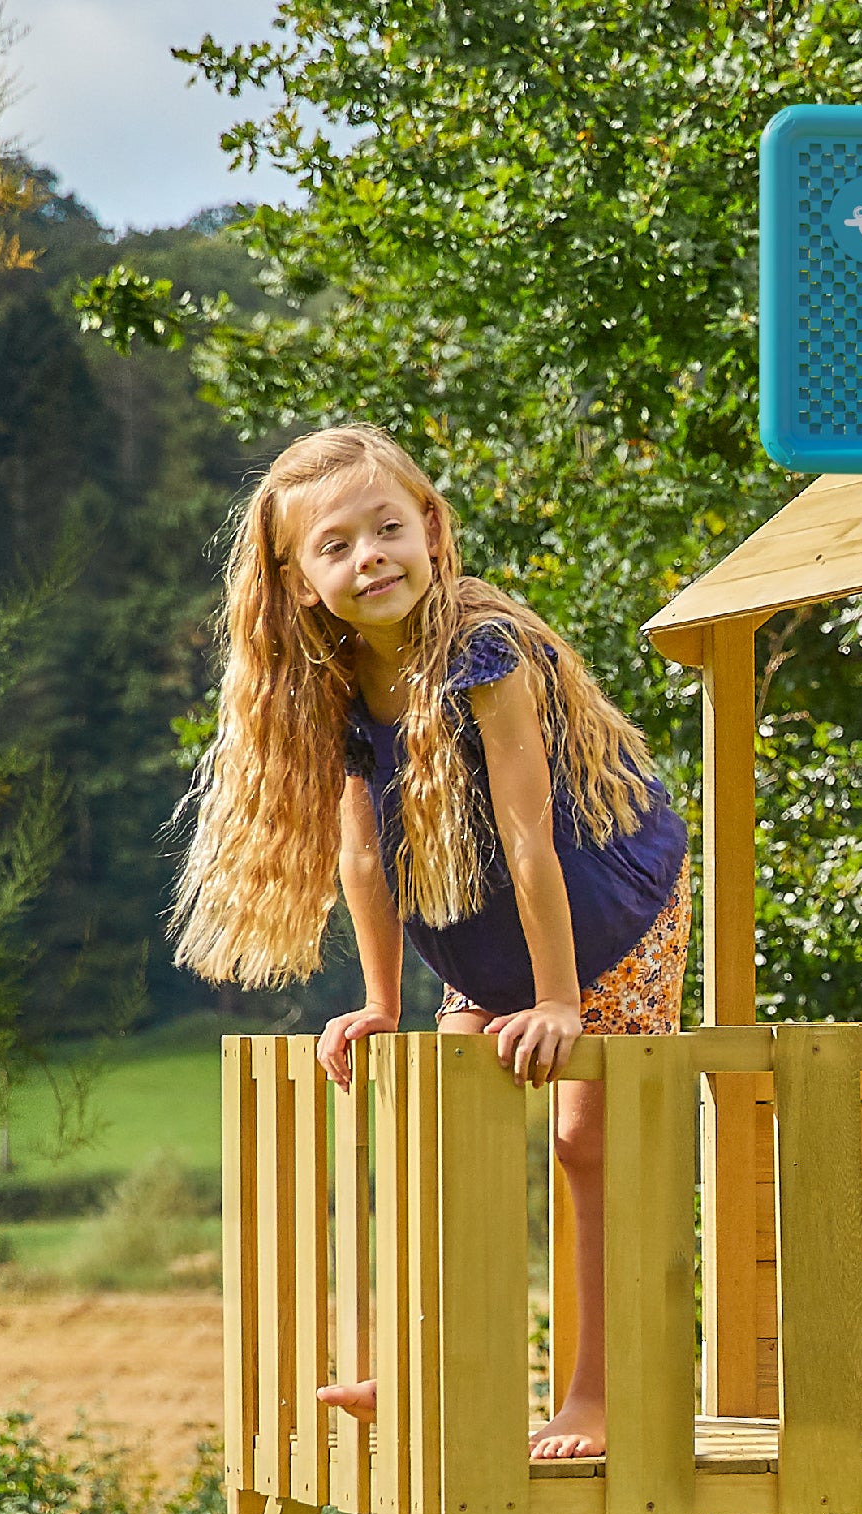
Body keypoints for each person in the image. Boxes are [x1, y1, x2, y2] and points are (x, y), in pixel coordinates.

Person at [166, 423, 690, 1460]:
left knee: (587, 1141)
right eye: (337, 545)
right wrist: (378, 998)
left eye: (387, 528)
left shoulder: (487, 648)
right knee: (443, 1128)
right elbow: (364, 859)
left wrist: (556, 1004)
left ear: (432, 530)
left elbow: (531, 835)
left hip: (608, 917)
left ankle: (598, 1394)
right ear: (300, 581)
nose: (370, 557)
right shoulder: (332, 677)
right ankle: (432, 1371)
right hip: (484, 935)